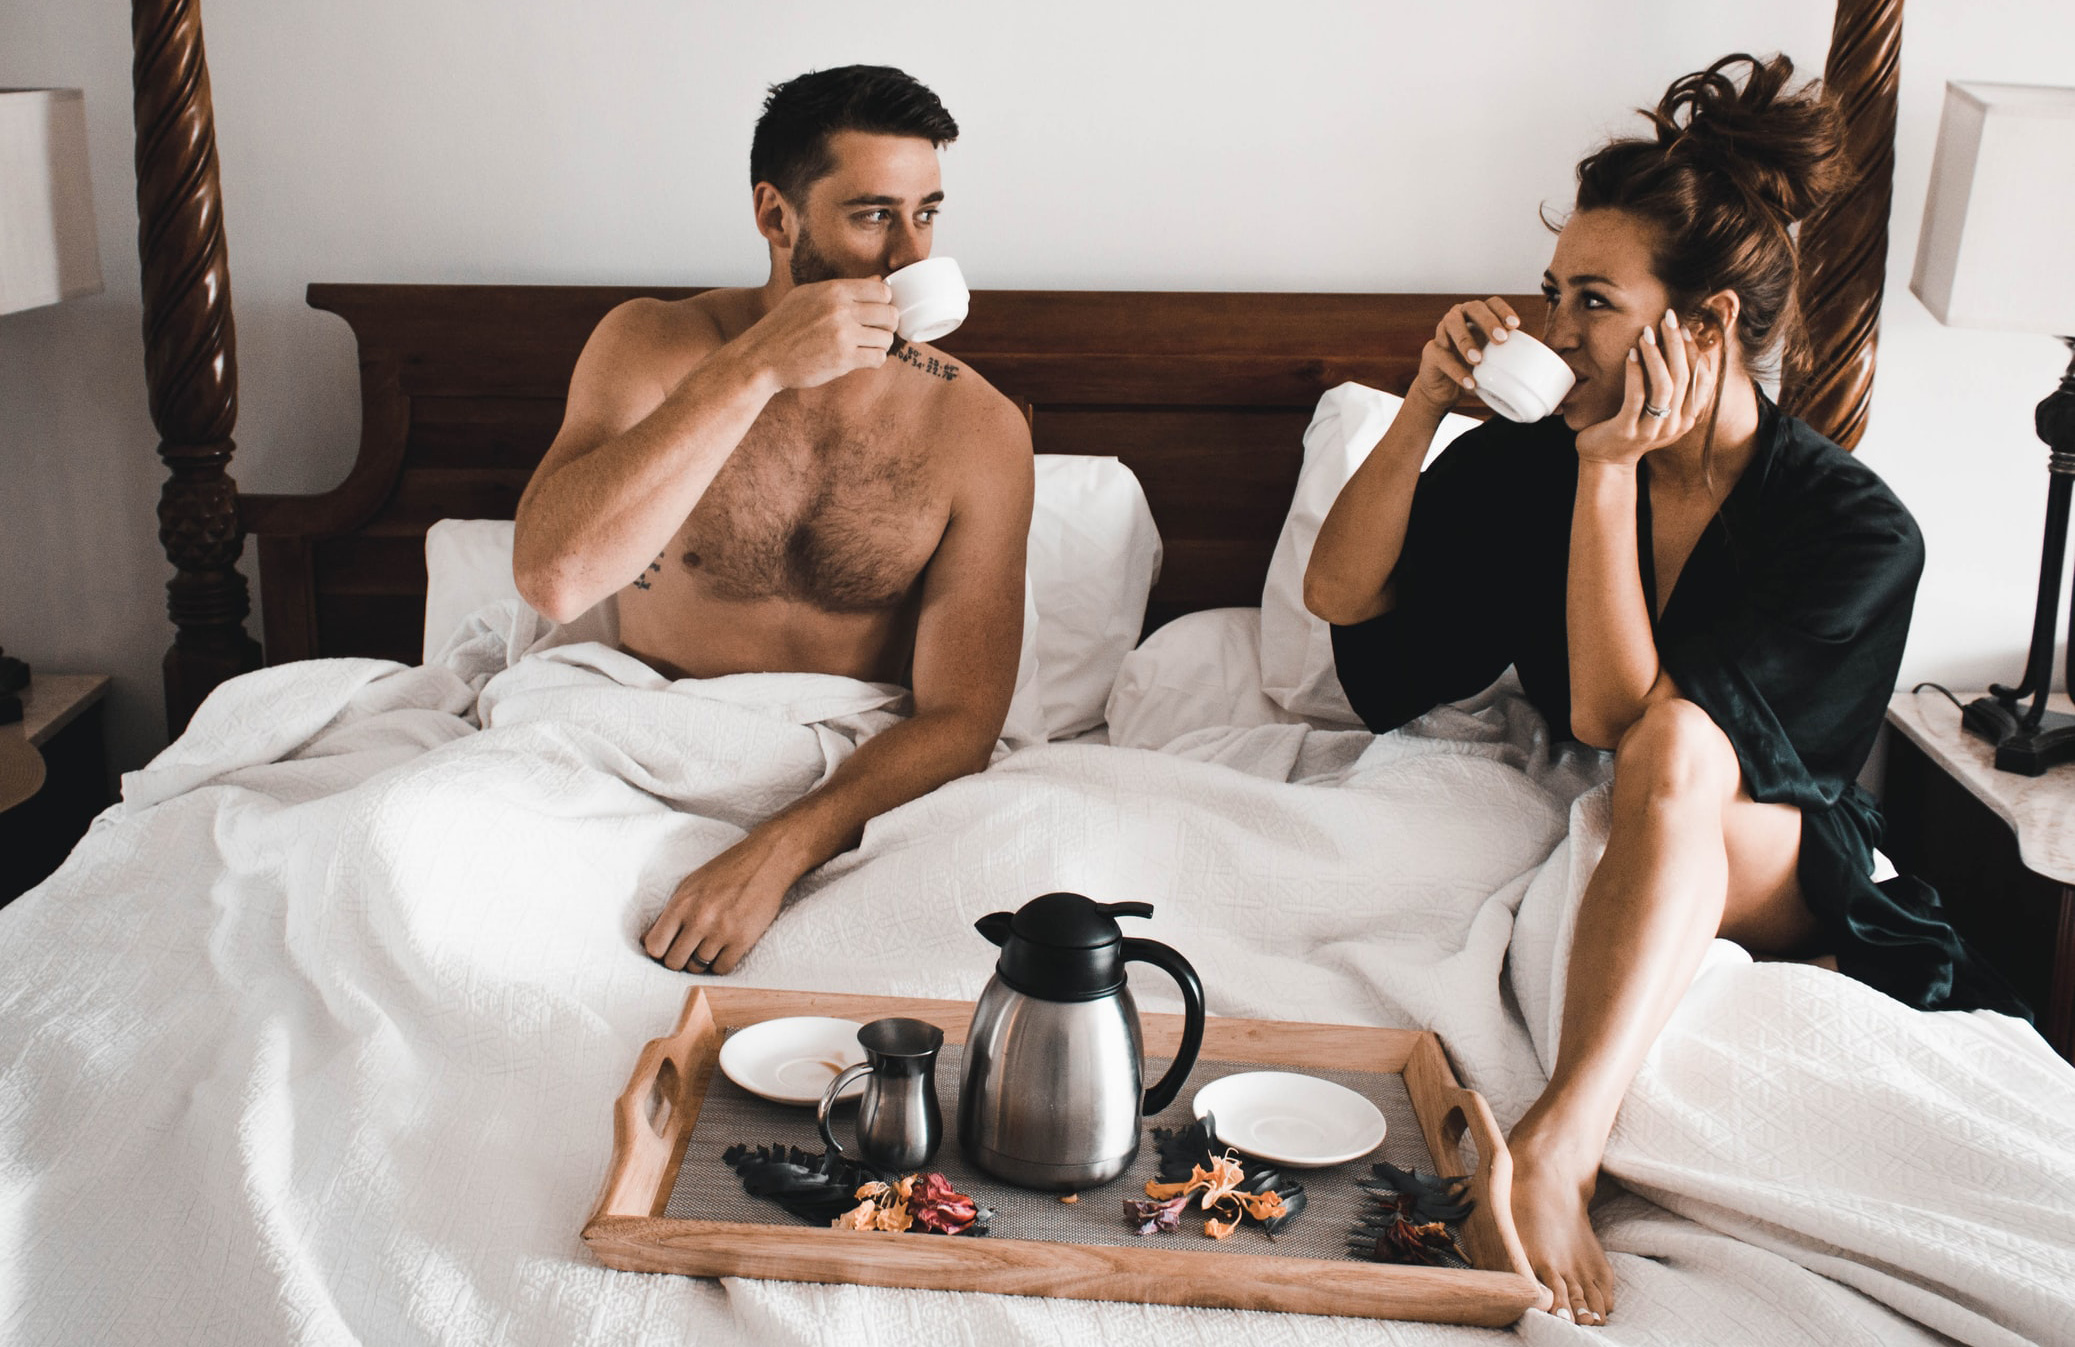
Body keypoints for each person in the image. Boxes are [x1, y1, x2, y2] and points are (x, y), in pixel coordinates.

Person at [1305, 54, 2023, 1326]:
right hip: (1642, 803)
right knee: (1664, 755)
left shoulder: (1851, 534)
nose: (1551, 330)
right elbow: (1339, 599)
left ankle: (1561, 1137)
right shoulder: (1535, 459)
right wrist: (1421, 406)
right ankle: (1563, 1145)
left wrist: (1605, 476)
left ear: (1701, 329)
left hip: (1776, 858)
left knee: (1682, 748)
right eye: (1549, 294)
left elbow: (1620, 726)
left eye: (1589, 299)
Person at [513, 65, 1033, 978]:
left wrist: (779, 851)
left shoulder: (979, 427)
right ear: (775, 216)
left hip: (850, 789)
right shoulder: (651, 346)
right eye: (874, 215)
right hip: (637, 757)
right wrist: (752, 369)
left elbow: (961, 717)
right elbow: (555, 578)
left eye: (928, 213)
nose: (911, 255)